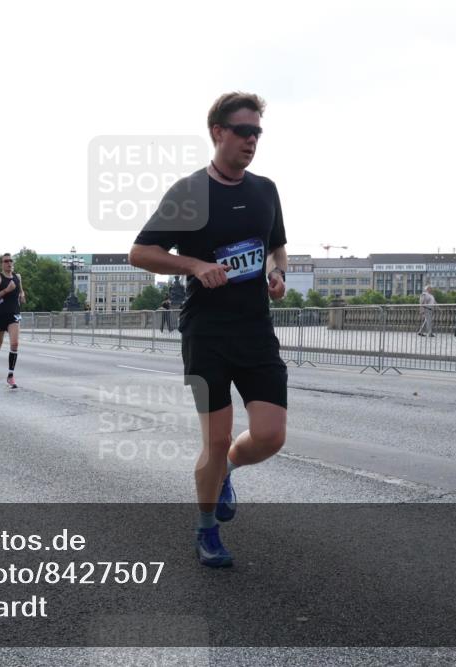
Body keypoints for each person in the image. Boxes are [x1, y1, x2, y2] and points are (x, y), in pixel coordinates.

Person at [129, 92, 288, 568]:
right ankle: (206, 530)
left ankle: (227, 473)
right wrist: (195, 265)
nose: (252, 140)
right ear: (218, 132)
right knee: (215, 441)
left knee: (271, 435)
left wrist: (278, 273)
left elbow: (277, 246)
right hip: (207, 334)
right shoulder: (189, 193)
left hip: (255, 330)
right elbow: (140, 252)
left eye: (257, 132)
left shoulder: (266, 190)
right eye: (244, 131)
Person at [0, 253, 25, 388]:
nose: (9, 263)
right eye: (6, 261)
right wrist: (6, 290)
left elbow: (21, 291)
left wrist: (22, 296)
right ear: (1, 264)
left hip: (14, 315)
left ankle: (10, 376)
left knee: (15, 344)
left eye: (11, 261)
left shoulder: (17, 277)